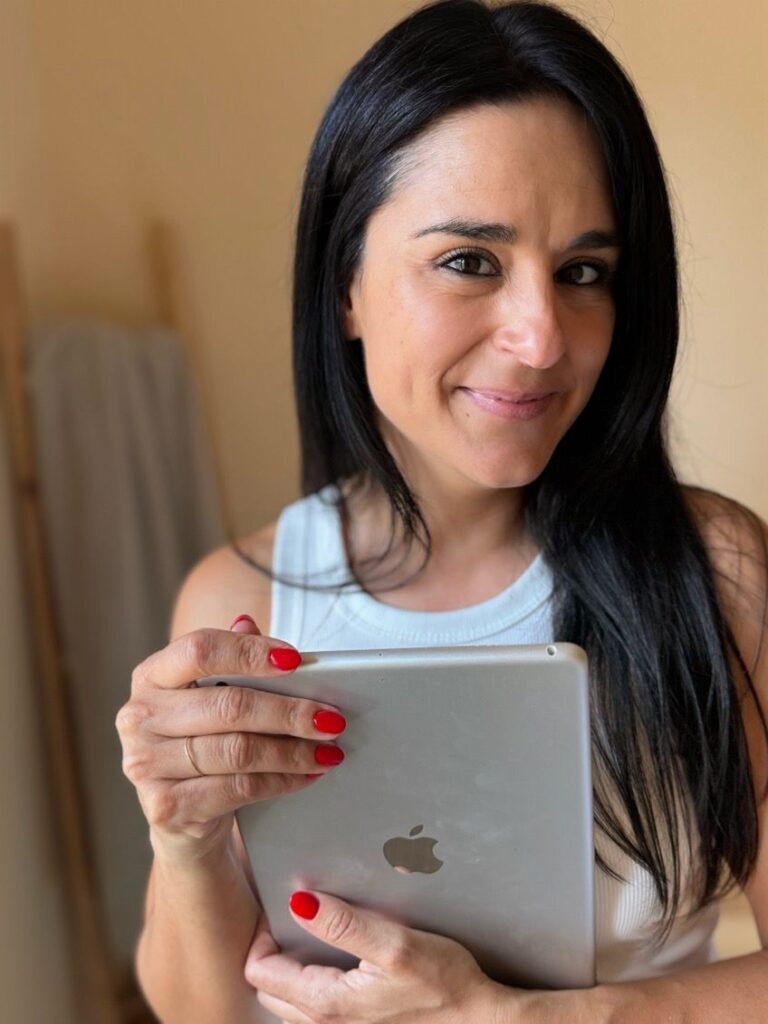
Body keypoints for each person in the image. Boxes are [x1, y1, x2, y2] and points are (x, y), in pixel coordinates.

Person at [116, 0, 768, 1020]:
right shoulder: (241, 600)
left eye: (583, 272)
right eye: (470, 261)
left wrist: (532, 1018)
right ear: (346, 284)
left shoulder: (716, 571)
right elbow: (202, 1010)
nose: (542, 336)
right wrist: (183, 835)